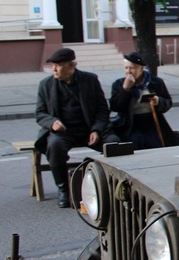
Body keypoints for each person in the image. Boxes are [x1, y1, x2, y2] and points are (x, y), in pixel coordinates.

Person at [35, 47, 119, 208]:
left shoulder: (90, 80)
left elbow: (103, 109)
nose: (53, 68)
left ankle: (113, 187)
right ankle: (64, 189)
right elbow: (40, 113)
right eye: (53, 65)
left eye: (58, 65)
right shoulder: (45, 84)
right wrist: (52, 122)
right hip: (63, 132)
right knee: (54, 146)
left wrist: (97, 129)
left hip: (89, 129)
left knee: (114, 143)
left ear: (71, 65)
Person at [110, 52, 179, 150]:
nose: (128, 72)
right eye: (126, 68)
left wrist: (158, 101)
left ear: (141, 69)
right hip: (130, 123)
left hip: (152, 121)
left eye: (132, 68)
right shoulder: (119, 84)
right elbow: (115, 106)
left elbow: (168, 102)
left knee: (157, 143)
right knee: (135, 142)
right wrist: (125, 89)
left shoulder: (156, 82)